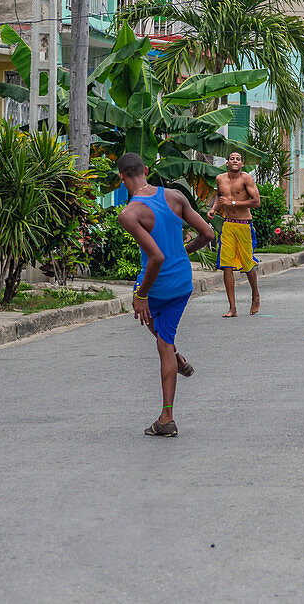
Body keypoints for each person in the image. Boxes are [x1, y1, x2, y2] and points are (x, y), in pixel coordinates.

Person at [116, 153, 215, 438]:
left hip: (156, 284)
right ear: (146, 170)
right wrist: (183, 252)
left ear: (122, 177)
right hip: (182, 282)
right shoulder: (175, 196)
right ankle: (177, 358)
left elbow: (156, 257)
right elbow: (208, 233)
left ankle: (167, 417)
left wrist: (142, 295)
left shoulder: (130, 214)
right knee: (163, 335)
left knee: (161, 340)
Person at [208, 152, 261, 317]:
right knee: (226, 266)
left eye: (238, 159)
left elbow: (256, 202)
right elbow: (219, 197)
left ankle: (255, 294)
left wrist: (234, 202)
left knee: (247, 265)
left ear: (242, 164)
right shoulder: (220, 179)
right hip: (228, 225)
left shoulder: (246, 179)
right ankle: (232, 308)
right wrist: (213, 209)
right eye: (232, 158)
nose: (235, 161)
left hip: (244, 225)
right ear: (227, 163)